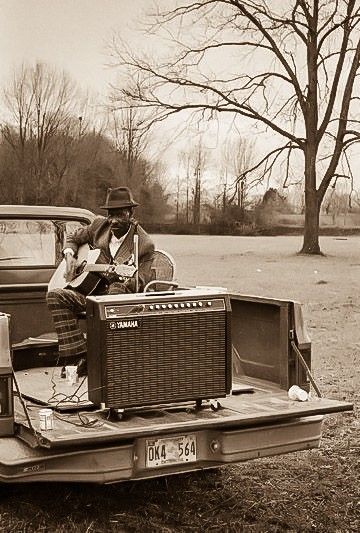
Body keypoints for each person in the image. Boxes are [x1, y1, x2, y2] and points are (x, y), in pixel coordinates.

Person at [46, 186, 155, 375]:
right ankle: (79, 355)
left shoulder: (144, 243)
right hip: (89, 293)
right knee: (55, 296)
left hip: (118, 298)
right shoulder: (99, 225)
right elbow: (73, 237)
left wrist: (120, 277)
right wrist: (70, 255)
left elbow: (141, 281)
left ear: (130, 214)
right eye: (110, 215)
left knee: (116, 289)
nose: (113, 221)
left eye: (119, 215)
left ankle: (108, 357)